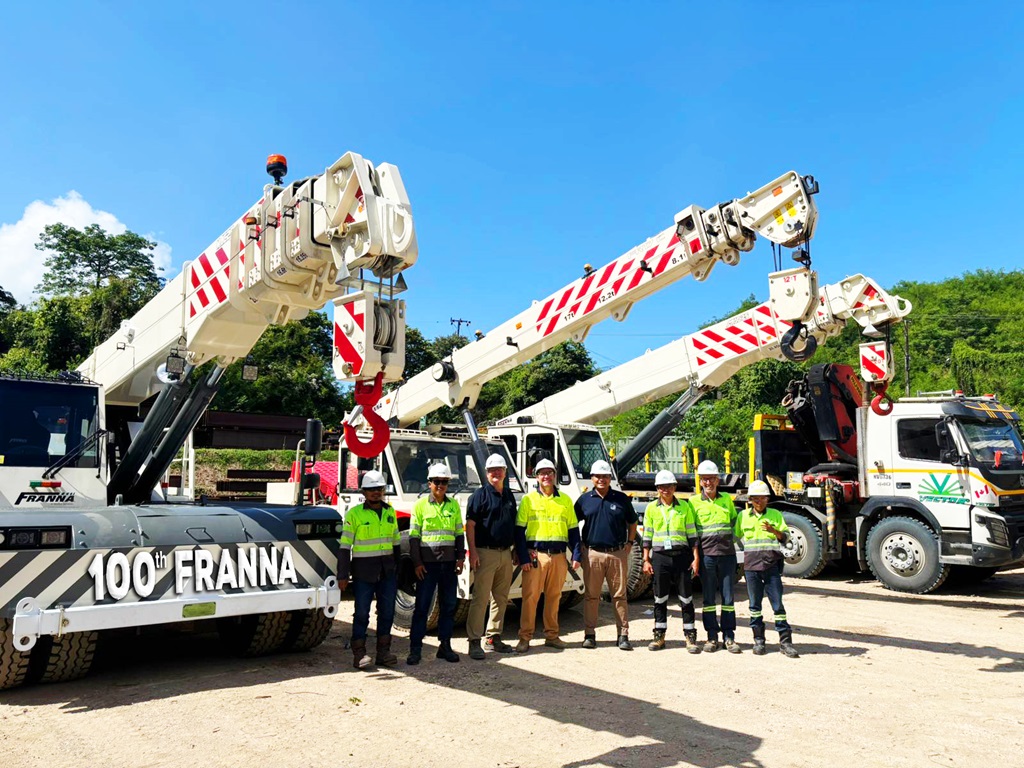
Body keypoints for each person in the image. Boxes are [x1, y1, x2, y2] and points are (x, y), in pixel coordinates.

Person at [514, 458, 581, 653]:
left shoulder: (565, 500)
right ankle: (525, 637)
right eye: (542, 473)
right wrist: (523, 558)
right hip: (536, 556)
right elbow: (519, 531)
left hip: (559, 557)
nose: (546, 476)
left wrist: (577, 555)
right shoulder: (528, 500)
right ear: (536, 477)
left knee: (554, 597)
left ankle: (552, 635)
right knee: (530, 598)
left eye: (549, 472)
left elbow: (573, 530)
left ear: (555, 475)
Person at [338, 470, 401, 669]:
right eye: (371, 489)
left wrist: (397, 570)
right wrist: (342, 575)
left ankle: (383, 653)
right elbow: (345, 547)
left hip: (386, 572)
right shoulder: (354, 514)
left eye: (379, 489)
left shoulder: (390, 512)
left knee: (387, 612)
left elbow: (396, 544)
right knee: (361, 613)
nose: (376, 492)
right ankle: (359, 654)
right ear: (364, 492)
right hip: (363, 572)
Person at [574, 459, 637, 650]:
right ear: (592, 478)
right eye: (597, 476)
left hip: (617, 553)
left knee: (619, 596)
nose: (601, 479)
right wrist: (579, 547)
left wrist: (629, 543)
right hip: (592, 554)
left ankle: (623, 635)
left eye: (605, 476)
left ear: (610, 478)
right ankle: (590, 634)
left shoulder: (621, 499)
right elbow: (572, 524)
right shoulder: (584, 500)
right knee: (591, 596)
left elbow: (632, 522)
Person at [407, 463, 465, 665]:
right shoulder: (420, 506)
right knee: (422, 608)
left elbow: (459, 533)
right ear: (429, 483)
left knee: (448, 606)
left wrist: (460, 558)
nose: (440, 485)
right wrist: (417, 563)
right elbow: (414, 537)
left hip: (448, 565)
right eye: (437, 481)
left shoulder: (453, 505)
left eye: (444, 482)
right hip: (427, 566)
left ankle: (445, 646)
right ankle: (415, 649)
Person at [735, 480, 799, 658]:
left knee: (778, 605)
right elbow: (735, 537)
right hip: (751, 567)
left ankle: (785, 643)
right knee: (754, 606)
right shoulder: (743, 517)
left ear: (767, 499)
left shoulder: (775, 515)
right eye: (755, 498)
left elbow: (785, 538)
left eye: (762, 498)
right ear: (750, 499)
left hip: (771, 566)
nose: (759, 501)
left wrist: (773, 530)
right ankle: (759, 641)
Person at [464, 453, 517, 660]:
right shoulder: (479, 496)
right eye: (492, 470)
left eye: (499, 469)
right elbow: (470, 526)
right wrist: (473, 552)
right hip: (485, 553)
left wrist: (514, 549)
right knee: (481, 598)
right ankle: (474, 641)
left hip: (505, 553)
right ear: (486, 473)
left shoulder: (509, 495)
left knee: (501, 598)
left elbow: (513, 524)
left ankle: (493, 637)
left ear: (505, 472)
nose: (496, 473)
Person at [641, 470, 700, 652]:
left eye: (668, 486)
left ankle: (690, 637)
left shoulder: (685, 507)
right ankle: (659, 636)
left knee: (686, 598)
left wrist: (696, 557)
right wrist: (646, 559)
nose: (665, 490)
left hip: (682, 557)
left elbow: (692, 534)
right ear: (657, 489)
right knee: (660, 598)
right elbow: (647, 535)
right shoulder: (651, 508)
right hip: (660, 558)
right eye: (661, 487)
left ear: (674, 487)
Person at [690, 459, 740, 654]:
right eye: (704, 479)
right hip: (707, 556)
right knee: (709, 598)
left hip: (727, 555)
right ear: (700, 481)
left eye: (711, 479)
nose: (708, 482)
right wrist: (695, 557)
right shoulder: (693, 502)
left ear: (718, 480)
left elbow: (735, 523)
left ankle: (729, 636)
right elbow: (692, 533)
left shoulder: (726, 499)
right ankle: (712, 636)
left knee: (728, 598)